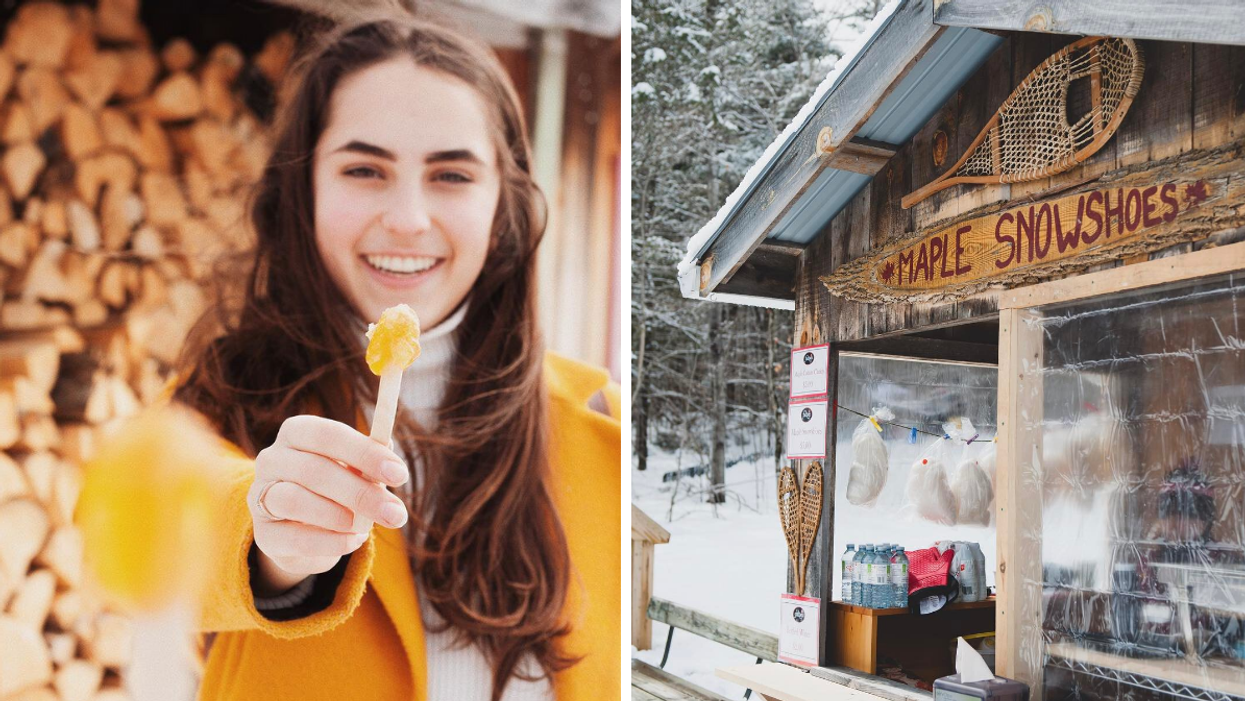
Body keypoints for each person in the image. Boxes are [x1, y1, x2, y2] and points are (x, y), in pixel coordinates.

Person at [172, 13, 620, 701]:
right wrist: (270, 541)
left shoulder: (603, 424)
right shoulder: (222, 392)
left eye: (451, 175)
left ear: (503, 201)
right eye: (364, 168)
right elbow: (135, 542)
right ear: (304, 187)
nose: (408, 217)